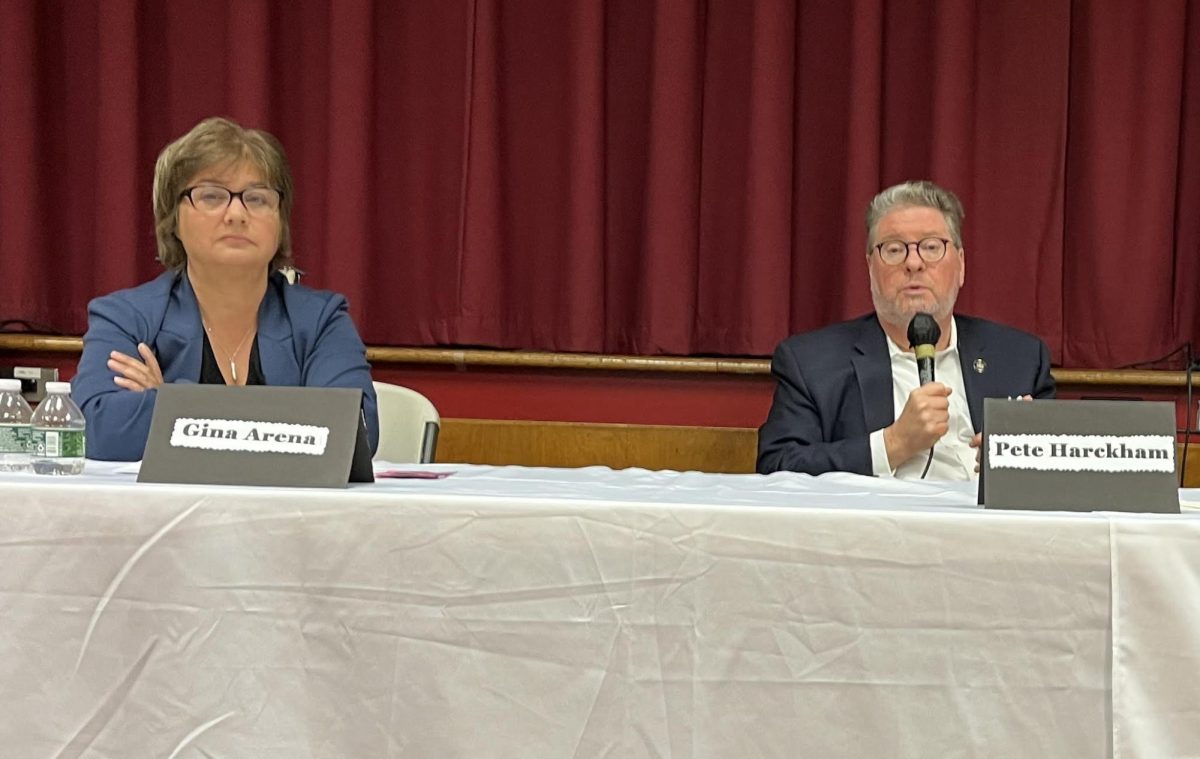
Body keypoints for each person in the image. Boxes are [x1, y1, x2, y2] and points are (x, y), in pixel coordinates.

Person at [72, 117, 379, 461]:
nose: (236, 214)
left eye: (257, 199)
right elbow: (97, 429)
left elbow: (353, 434)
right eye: (212, 196)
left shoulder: (321, 320)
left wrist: (173, 401)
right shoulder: (125, 317)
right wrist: (287, 421)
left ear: (280, 220)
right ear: (173, 219)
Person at [757, 180, 1054, 479]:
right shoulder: (811, 363)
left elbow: (1065, 474)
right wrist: (893, 444)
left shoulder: (1021, 359)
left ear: (961, 265)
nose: (914, 263)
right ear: (870, 268)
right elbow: (778, 465)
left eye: (931, 247)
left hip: (990, 525)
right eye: (895, 249)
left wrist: (1025, 456)